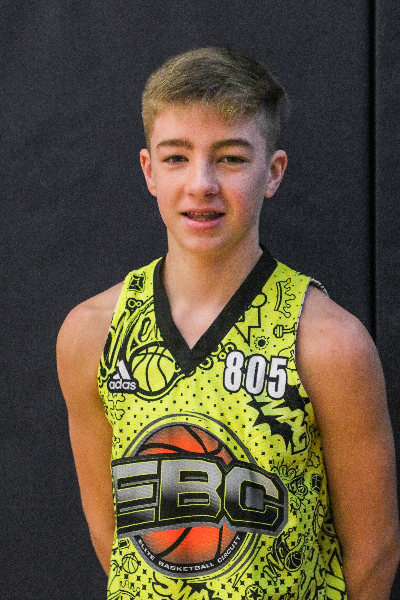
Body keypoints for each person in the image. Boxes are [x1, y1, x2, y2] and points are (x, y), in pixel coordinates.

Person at [57, 47, 399, 600]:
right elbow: (111, 535)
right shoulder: (91, 333)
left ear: (273, 172)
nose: (202, 184)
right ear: (149, 170)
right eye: (176, 157)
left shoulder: (329, 343)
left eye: (231, 158)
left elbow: (374, 556)